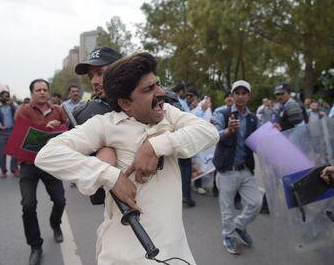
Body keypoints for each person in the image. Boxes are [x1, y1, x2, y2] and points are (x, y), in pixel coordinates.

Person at [35, 52, 218, 264]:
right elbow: (48, 154)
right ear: (125, 103)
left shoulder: (167, 112)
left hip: (176, 252)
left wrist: (155, 145)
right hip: (124, 255)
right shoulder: (104, 124)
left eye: (157, 84)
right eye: (149, 89)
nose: (160, 93)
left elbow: (208, 132)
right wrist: (109, 175)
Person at [14, 79, 67, 265]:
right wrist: (46, 128)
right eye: (38, 90)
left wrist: (59, 128)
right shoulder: (23, 110)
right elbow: (22, 134)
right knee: (28, 205)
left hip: (51, 163)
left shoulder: (59, 110)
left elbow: (68, 132)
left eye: (45, 89)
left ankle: (55, 224)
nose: (42, 92)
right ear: (32, 93)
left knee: (60, 200)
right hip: (28, 164)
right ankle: (35, 246)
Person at [214, 80, 262, 255]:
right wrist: (227, 131)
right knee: (227, 210)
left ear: (249, 96)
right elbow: (214, 136)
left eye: (244, 93)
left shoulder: (253, 118)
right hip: (226, 171)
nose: (240, 96)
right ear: (232, 95)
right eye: (237, 93)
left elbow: (262, 140)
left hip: (245, 170)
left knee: (256, 203)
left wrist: (275, 131)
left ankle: (239, 225)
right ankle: (228, 236)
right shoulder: (222, 113)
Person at [68, 47, 122, 190]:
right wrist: (94, 160)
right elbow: (73, 157)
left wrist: (152, 145)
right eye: (91, 76)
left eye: (100, 73)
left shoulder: (152, 99)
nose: (95, 81)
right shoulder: (82, 114)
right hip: (112, 202)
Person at [171, 82, 196, 207]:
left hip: (173, 139)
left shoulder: (169, 100)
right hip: (182, 139)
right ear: (181, 91)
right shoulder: (179, 102)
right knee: (186, 169)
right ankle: (186, 196)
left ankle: (178, 195)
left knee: (177, 169)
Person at [0, 90, 19, 178]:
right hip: (2, 132)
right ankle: (3, 170)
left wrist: (12, 104)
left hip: (13, 131)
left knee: (15, 151)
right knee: (2, 152)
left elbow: (19, 111)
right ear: (0, 97)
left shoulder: (13, 105)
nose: (5, 98)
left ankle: (14, 168)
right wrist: (0, 126)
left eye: (7, 96)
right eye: (3, 96)